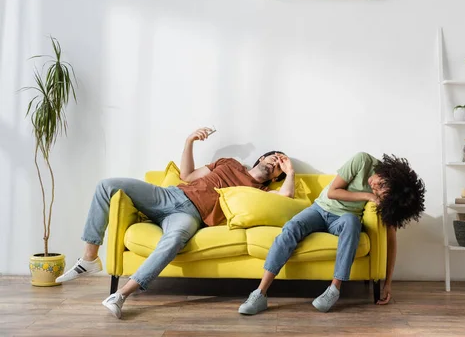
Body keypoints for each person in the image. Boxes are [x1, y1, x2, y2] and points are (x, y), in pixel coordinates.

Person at [57, 127, 295, 319]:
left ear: (276, 178)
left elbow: (286, 198)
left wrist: (290, 170)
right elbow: (187, 177)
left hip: (190, 216)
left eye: (278, 168)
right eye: (274, 158)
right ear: (262, 157)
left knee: (174, 241)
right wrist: (189, 140)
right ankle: (89, 259)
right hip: (169, 195)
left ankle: (120, 296)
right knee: (106, 185)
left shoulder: (262, 192)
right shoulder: (229, 163)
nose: (275, 164)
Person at [238, 152, 425, 315]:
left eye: (379, 192)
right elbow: (333, 193)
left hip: (343, 219)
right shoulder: (362, 161)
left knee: (352, 222)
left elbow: (391, 239)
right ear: (389, 173)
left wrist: (388, 283)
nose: (373, 186)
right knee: (292, 227)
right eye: (380, 183)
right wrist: (368, 196)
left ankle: (334, 290)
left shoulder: (387, 197)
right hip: (319, 209)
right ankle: (259, 294)